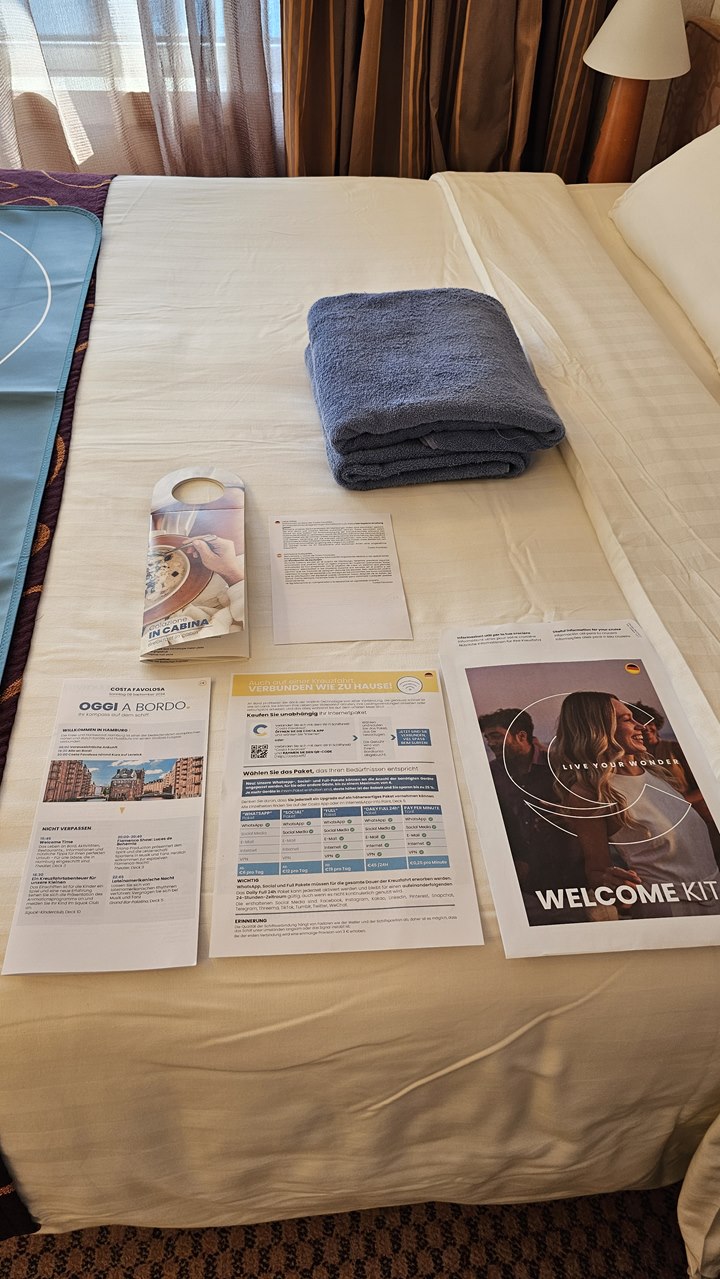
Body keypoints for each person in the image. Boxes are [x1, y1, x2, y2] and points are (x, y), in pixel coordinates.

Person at [552, 691, 720, 919]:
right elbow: (596, 871)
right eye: (627, 720)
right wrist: (612, 883)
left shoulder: (657, 773)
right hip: (670, 910)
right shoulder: (589, 792)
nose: (641, 726)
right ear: (598, 729)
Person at [479, 708, 587, 925]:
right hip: (526, 874)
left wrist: (569, 814)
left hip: (572, 869)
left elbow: (591, 809)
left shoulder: (559, 766)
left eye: (496, 736)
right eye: (488, 738)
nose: (491, 743)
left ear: (521, 736)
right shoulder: (492, 773)